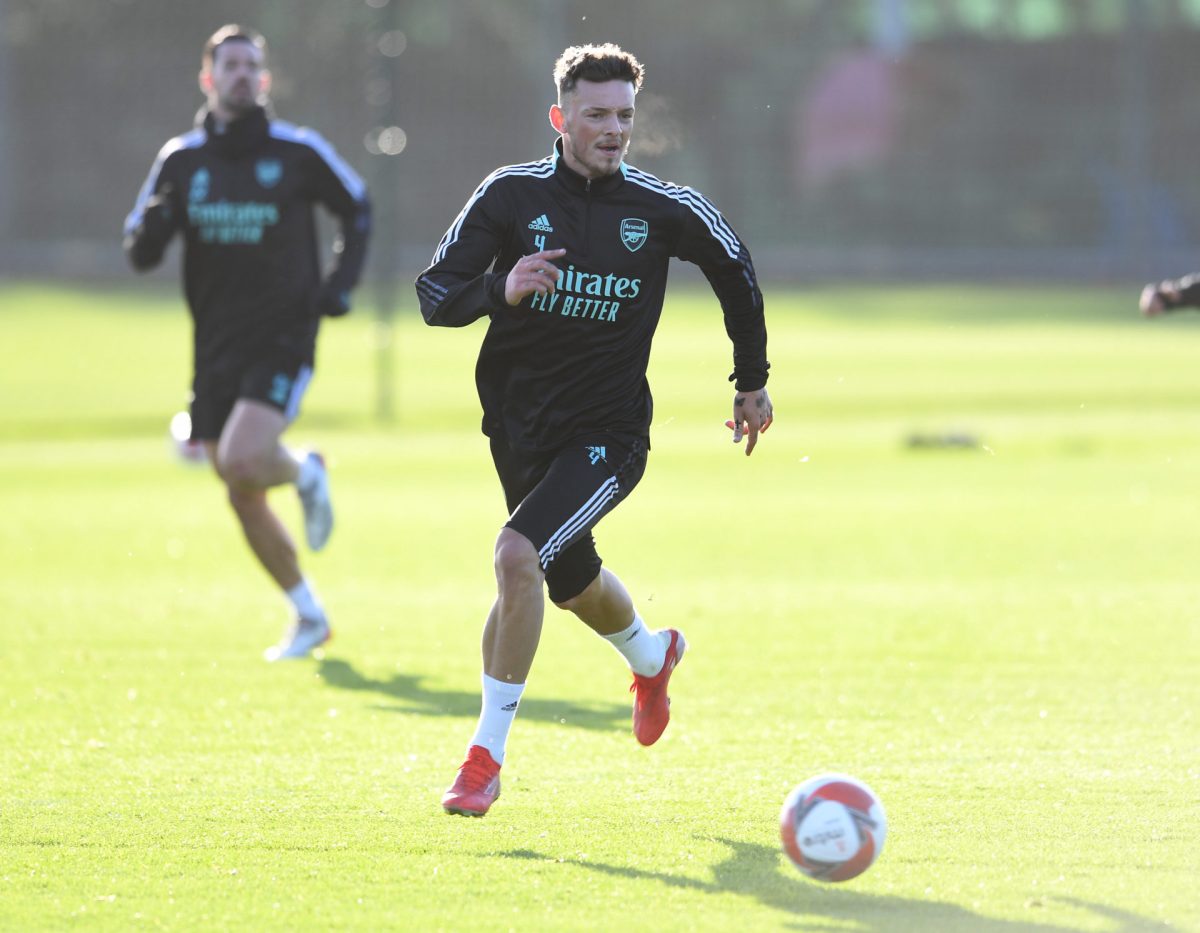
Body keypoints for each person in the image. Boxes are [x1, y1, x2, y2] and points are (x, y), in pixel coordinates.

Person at [415, 43, 772, 817]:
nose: (614, 130)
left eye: (624, 116)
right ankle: (652, 653)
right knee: (568, 581)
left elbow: (734, 265)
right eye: (597, 114)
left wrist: (751, 380)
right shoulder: (510, 195)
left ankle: (484, 759)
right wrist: (501, 287)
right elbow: (436, 293)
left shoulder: (661, 207)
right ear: (560, 117)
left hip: (611, 434)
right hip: (519, 428)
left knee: (516, 555)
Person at [123, 25, 370, 661]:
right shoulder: (181, 160)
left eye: (250, 65)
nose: (240, 74)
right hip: (215, 346)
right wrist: (155, 223)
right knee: (239, 486)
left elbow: (357, 205)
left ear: (263, 79)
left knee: (239, 458)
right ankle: (308, 614)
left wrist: (339, 284)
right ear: (208, 78)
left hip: (283, 335)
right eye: (228, 65)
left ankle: (306, 470)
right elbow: (140, 251)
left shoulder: (297, 152)